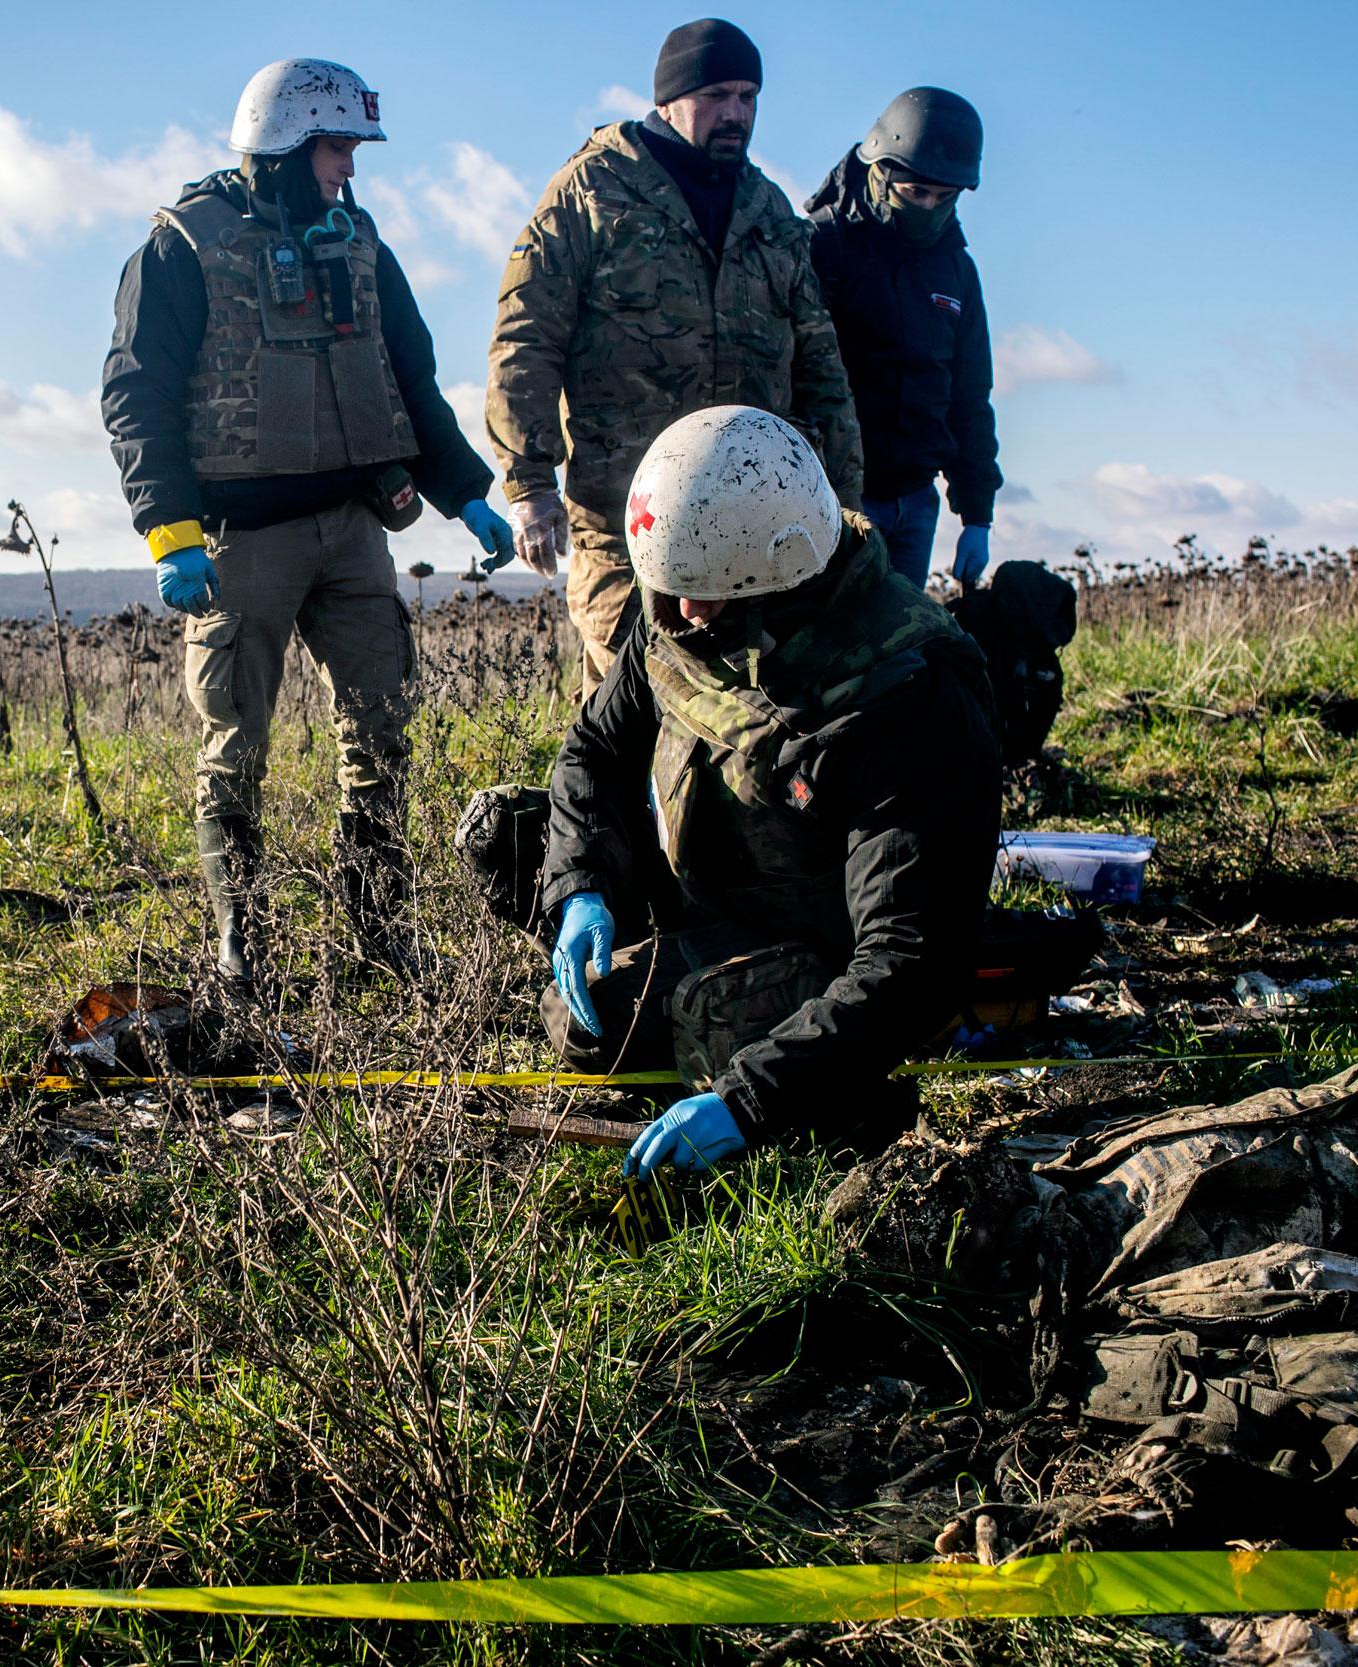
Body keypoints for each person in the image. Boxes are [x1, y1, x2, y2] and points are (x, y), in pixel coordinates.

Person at [101, 58, 514, 989]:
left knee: (379, 730)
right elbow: (137, 396)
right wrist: (168, 531)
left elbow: (408, 374)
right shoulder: (181, 246)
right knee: (235, 742)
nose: (350, 170)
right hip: (241, 543)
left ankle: (377, 933)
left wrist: (465, 491)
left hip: (353, 527)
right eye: (337, 149)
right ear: (285, 146)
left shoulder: (360, 243)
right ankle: (240, 940)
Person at [533, 405, 999, 1174]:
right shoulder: (685, 608)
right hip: (704, 877)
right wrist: (579, 887)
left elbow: (908, 964)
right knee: (502, 832)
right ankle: (656, 970)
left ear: (776, 568)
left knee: (588, 1020)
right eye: (673, 588)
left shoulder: (908, 695)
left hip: (818, 947)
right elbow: (594, 750)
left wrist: (749, 1100)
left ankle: (814, 1091)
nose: (685, 613)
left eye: (706, 594)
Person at [488, 18, 862, 693]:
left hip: (753, 514)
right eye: (717, 94)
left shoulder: (769, 212)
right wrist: (530, 483)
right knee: (624, 703)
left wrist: (842, 500)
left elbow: (818, 364)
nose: (736, 114)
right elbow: (526, 337)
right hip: (628, 513)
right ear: (668, 98)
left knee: (744, 711)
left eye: (748, 97)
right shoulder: (591, 192)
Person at [803, 88, 1001, 589]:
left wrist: (977, 514)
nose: (930, 207)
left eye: (944, 198)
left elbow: (970, 394)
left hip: (916, 501)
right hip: (835, 498)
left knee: (900, 659)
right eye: (915, 193)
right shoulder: (824, 247)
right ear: (880, 171)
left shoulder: (957, 270)